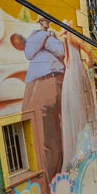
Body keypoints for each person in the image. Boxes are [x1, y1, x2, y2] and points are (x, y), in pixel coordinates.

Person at [23, 16, 65, 182]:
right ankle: (50, 180)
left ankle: (56, 177)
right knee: (43, 135)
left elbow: (60, 52)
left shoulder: (50, 37)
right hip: (40, 83)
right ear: (38, 23)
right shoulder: (36, 36)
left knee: (56, 133)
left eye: (46, 21)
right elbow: (29, 52)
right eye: (42, 21)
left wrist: (46, 37)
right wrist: (45, 35)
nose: (45, 23)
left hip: (58, 80)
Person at [60, 21, 97, 171]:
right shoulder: (72, 37)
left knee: (76, 106)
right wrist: (90, 62)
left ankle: (78, 150)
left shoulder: (67, 38)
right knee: (80, 105)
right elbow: (87, 49)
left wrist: (88, 61)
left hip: (71, 73)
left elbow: (67, 58)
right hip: (76, 72)